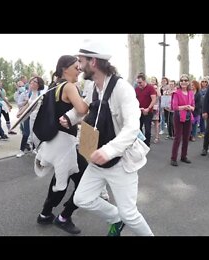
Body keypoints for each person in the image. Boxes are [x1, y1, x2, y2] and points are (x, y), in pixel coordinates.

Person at [65, 39, 153, 236]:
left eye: (81, 60)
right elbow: (85, 106)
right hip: (96, 157)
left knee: (130, 214)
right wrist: (69, 117)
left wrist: (109, 150)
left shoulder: (123, 89)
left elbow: (132, 127)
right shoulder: (92, 86)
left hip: (121, 161)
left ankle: (125, 219)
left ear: (93, 62)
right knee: (82, 199)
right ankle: (116, 218)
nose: (78, 66)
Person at [35, 55, 89, 235]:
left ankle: (45, 214)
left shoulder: (55, 86)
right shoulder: (69, 86)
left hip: (56, 141)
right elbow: (81, 110)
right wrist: (91, 101)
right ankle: (64, 216)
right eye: (76, 67)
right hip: (65, 143)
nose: (79, 69)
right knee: (85, 180)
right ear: (65, 68)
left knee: (61, 178)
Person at [170, 74, 195, 166]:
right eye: (182, 80)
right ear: (179, 82)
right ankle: (173, 158)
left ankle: (183, 156)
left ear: (188, 82)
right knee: (178, 137)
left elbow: (193, 106)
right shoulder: (176, 93)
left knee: (186, 137)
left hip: (188, 116)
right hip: (178, 117)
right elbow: (174, 107)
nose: (183, 82)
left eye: (185, 80)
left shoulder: (191, 93)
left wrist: (191, 108)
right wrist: (185, 107)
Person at [135, 73, 157, 146]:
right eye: (137, 82)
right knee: (138, 129)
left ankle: (147, 144)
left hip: (148, 112)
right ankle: (140, 143)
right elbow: (134, 99)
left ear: (144, 81)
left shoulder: (150, 88)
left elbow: (154, 99)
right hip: (139, 111)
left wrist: (148, 108)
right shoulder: (136, 89)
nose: (139, 84)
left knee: (147, 129)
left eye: (140, 82)